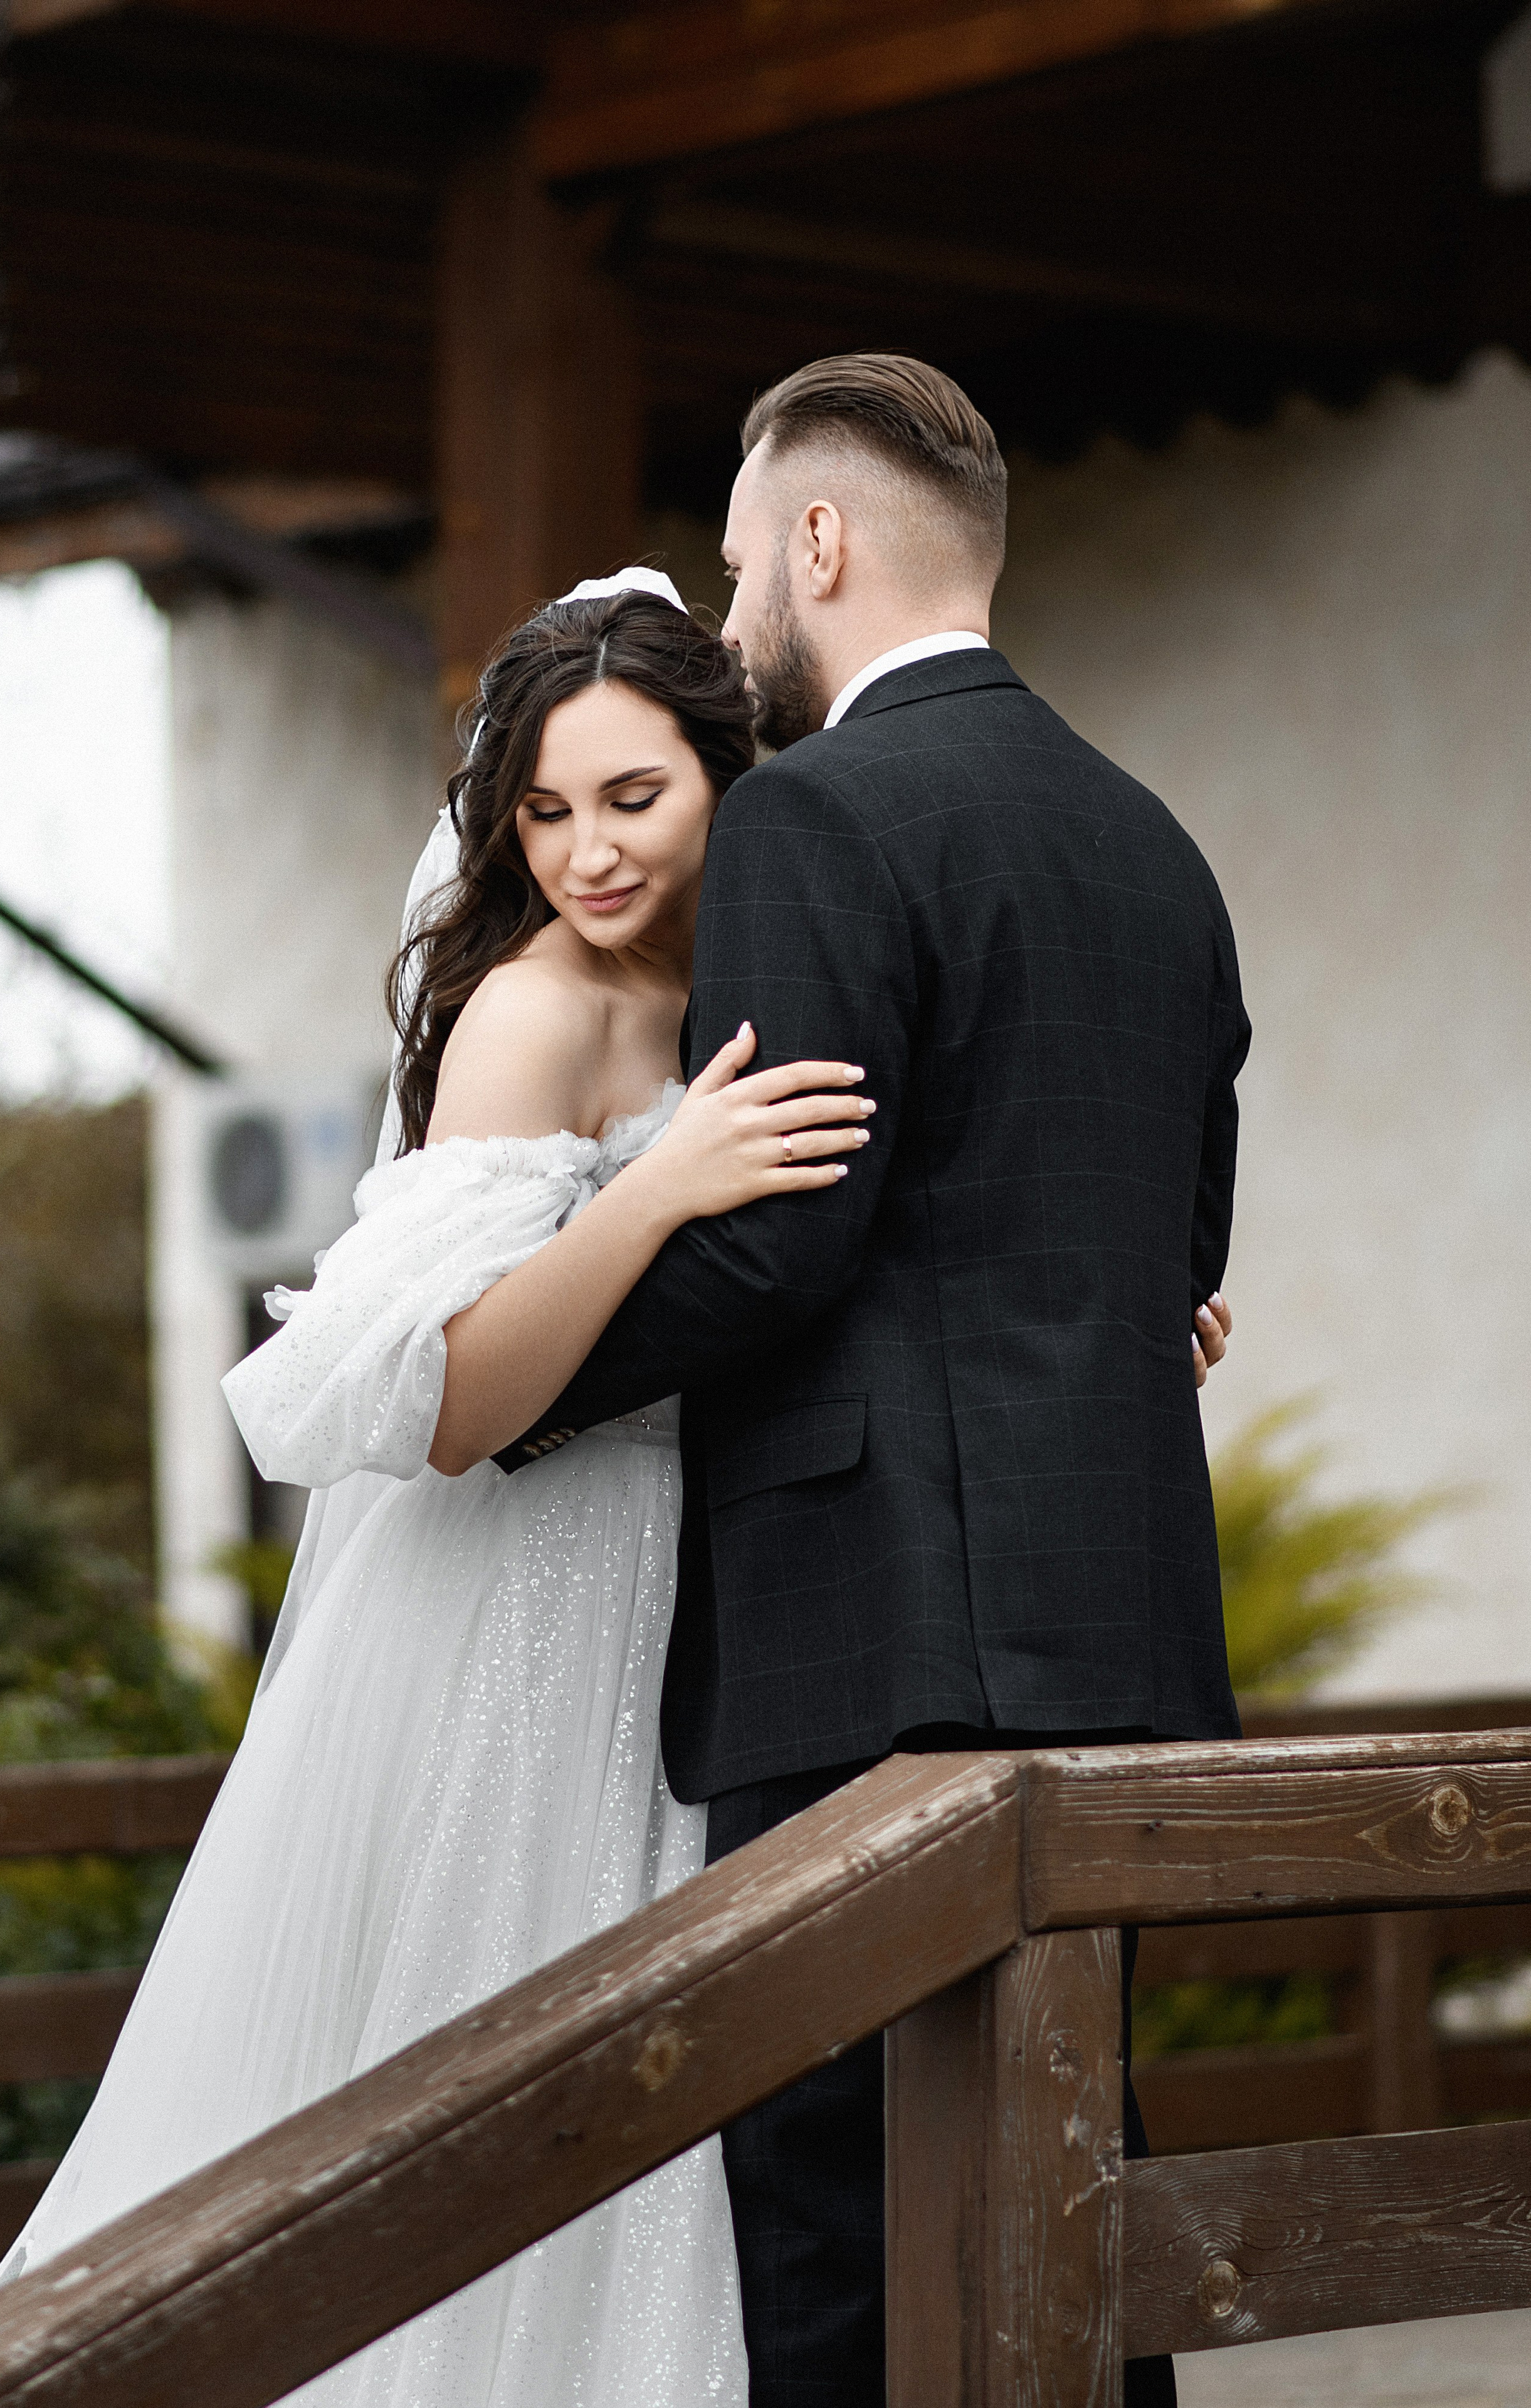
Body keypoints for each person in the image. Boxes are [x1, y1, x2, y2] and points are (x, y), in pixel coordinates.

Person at [0, 571, 878, 2408]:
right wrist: (654, 1186)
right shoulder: (531, 1014)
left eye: (634, 798)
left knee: (663, 2092)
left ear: (730, 778)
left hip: (692, 1598)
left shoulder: (748, 982)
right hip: (526, 1599)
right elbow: (452, 1395)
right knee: (510, 2058)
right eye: (544, 811)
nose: (587, 856)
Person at [495, 358, 1250, 2408]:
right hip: (1118, 1642)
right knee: (1073, 2208)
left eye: (744, 559)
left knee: (836, 2248)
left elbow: (782, 1237)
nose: (736, 603)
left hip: (868, 1653)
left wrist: (503, 1382)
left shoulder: (815, 814)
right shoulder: (1155, 845)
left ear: (820, 543)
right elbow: (1178, 1257)